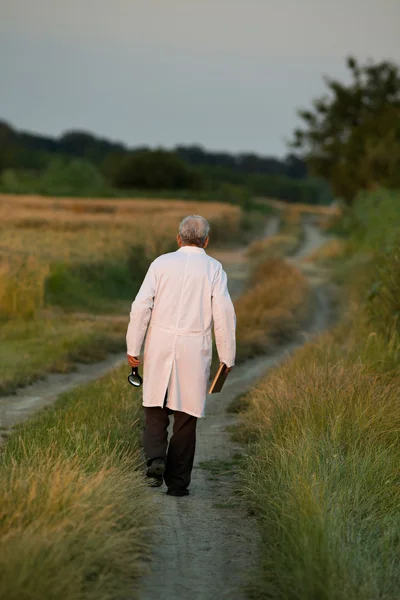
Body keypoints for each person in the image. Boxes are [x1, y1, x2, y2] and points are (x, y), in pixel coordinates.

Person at [126, 215, 236, 497]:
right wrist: (227, 356)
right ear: (206, 241)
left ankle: (155, 459)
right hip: (193, 348)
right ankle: (177, 484)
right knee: (186, 417)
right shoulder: (214, 268)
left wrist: (133, 347)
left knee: (155, 407)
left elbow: (141, 306)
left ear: (178, 238)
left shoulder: (160, 263)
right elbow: (223, 312)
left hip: (160, 343)